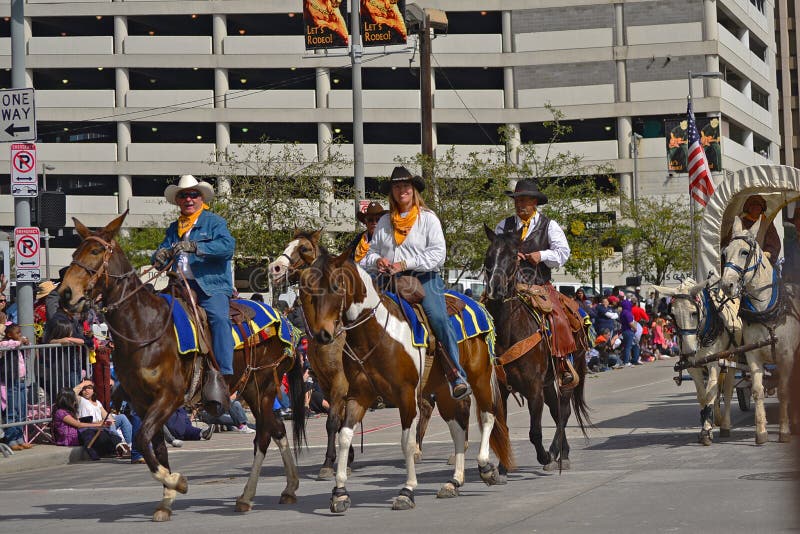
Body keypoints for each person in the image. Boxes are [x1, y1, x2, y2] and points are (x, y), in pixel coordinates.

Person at [364, 166, 471, 400]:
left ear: (413, 190)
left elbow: (438, 255)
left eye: (405, 186)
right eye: (396, 186)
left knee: (439, 318)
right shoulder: (384, 221)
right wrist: (378, 260)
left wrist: (404, 263)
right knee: (362, 314)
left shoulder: (428, 218)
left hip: (425, 279)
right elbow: (368, 255)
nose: (401, 190)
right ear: (391, 192)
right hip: (389, 280)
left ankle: (456, 374)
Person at [152, 174, 236, 417]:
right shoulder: (173, 228)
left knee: (219, 319)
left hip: (210, 286)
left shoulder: (214, 222)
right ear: (178, 201)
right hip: (179, 285)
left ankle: (223, 373)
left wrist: (197, 247)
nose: (188, 199)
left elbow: (228, 247)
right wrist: (158, 257)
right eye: (184, 195)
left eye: (193, 194)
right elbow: (161, 252)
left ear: (201, 198)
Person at [494, 178, 575, 386]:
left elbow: (563, 253)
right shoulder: (503, 226)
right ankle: (486, 363)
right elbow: (497, 254)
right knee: (486, 315)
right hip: (509, 287)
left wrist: (542, 254)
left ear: (535, 203)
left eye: (525, 200)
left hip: (539, 286)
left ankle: (563, 363)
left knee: (559, 318)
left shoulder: (549, 225)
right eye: (518, 200)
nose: (520, 205)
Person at [51, 388, 122, 461]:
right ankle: (93, 450)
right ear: (68, 400)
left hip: (78, 435)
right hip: (70, 438)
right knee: (90, 432)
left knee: (102, 432)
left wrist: (100, 424)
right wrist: (99, 425)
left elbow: (80, 423)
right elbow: (78, 425)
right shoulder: (60, 412)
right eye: (73, 398)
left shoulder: (69, 411)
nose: (75, 401)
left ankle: (118, 446)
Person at [74, 381, 132, 458]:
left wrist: (111, 421)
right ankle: (120, 447)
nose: (86, 390)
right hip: (91, 427)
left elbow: (106, 415)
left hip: (102, 425)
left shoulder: (97, 402)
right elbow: (71, 394)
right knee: (108, 424)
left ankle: (130, 446)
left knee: (121, 417)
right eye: (84, 389)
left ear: (93, 390)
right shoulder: (80, 400)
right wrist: (83, 384)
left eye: (89, 388)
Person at [0, 323, 32, 451]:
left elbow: (28, 350)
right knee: (12, 410)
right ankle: (11, 439)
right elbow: (8, 345)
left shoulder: (18, 343)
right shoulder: (4, 343)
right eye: (17, 333)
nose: (20, 335)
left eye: (20, 333)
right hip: (11, 381)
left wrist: (26, 343)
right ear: (9, 335)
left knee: (22, 410)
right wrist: (19, 341)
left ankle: (20, 438)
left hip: (22, 380)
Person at [736, 194, 781, 264]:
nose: (755, 207)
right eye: (752, 205)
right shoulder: (739, 222)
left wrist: (768, 252)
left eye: (758, 205)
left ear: (762, 208)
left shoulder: (767, 223)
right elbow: (731, 240)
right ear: (748, 208)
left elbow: (774, 243)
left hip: (759, 261)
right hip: (739, 260)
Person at [349, 201, 388, 265]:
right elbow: (348, 257)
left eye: (378, 220)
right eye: (370, 220)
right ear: (365, 222)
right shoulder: (359, 239)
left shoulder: (389, 239)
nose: (374, 223)